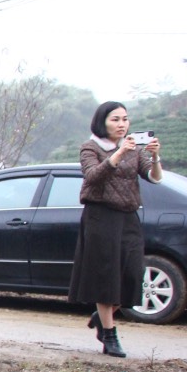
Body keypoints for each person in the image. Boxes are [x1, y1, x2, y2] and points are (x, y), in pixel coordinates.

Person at [68, 101, 162, 358]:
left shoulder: (133, 148)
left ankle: (101, 316)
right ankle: (109, 335)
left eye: (125, 119)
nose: (122, 124)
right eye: (115, 120)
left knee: (133, 273)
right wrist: (119, 154)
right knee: (105, 276)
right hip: (100, 217)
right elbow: (92, 175)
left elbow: (154, 177)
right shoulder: (91, 147)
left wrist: (154, 156)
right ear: (102, 122)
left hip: (128, 216)